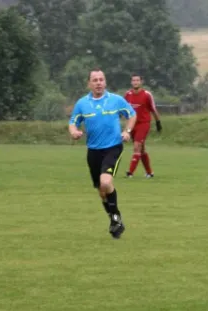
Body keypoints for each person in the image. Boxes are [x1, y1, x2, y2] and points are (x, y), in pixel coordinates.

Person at [68, 69, 136, 239]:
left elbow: (132, 115)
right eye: (95, 80)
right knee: (101, 191)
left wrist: (127, 131)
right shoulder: (82, 104)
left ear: (105, 82)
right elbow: (73, 122)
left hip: (113, 147)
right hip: (93, 151)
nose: (98, 82)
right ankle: (115, 219)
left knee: (105, 182)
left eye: (101, 79)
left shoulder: (116, 100)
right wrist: (74, 132)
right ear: (89, 83)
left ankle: (115, 218)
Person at [124, 74, 162, 178]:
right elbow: (124, 109)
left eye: (137, 80)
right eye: (133, 80)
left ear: (141, 82)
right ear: (131, 82)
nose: (135, 82)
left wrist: (158, 122)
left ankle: (130, 172)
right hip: (132, 124)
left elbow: (153, 109)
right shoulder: (128, 94)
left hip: (143, 124)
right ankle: (149, 172)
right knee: (141, 149)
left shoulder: (146, 95)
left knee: (137, 146)